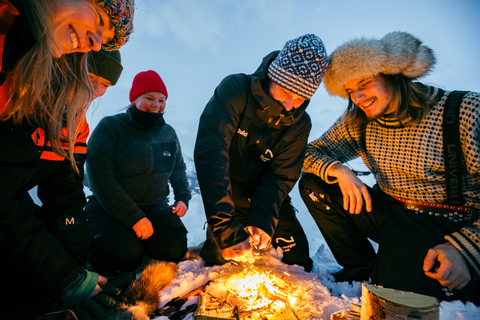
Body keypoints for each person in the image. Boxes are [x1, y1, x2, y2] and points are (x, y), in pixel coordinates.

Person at [299, 31, 479, 303]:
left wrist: (466, 248)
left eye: (365, 82)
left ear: (392, 74)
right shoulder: (358, 122)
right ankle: (361, 269)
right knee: (316, 185)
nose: (358, 97)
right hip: (390, 213)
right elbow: (308, 152)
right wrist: (339, 169)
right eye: (350, 91)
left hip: (445, 222)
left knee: (397, 301)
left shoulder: (464, 111)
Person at [0, 0, 133, 317]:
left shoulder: (75, 124)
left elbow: (67, 197)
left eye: (107, 87)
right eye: (97, 82)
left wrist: (74, 272)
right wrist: (63, 275)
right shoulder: (21, 90)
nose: (99, 93)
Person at [194, 34, 329, 271]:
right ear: (272, 77)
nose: (290, 105)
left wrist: (263, 222)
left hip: (266, 198)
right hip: (229, 195)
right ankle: (216, 237)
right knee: (218, 261)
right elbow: (212, 154)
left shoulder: (300, 124)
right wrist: (225, 227)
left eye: (300, 98)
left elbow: (280, 177)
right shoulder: (236, 90)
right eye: (286, 93)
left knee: (298, 261)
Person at [85, 70, 191, 276]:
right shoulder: (111, 127)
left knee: (174, 249)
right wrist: (134, 218)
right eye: (149, 98)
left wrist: (183, 198)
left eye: (162, 100)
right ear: (134, 99)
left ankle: (141, 245)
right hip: (110, 206)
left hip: (155, 205)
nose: (156, 104)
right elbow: (100, 177)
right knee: (120, 256)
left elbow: (178, 168)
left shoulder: (168, 132)